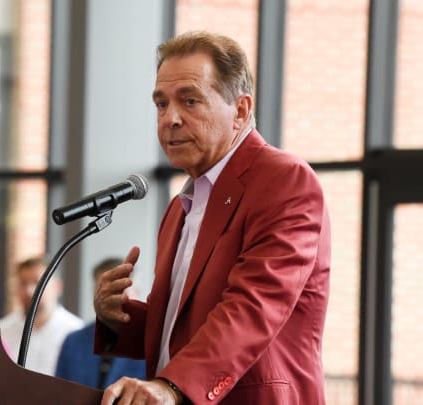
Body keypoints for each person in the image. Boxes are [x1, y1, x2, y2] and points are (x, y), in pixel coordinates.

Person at [93, 31, 331, 404]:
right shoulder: (180, 207)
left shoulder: (284, 180)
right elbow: (179, 327)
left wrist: (171, 386)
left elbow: (254, 306)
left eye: (189, 101)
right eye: (160, 104)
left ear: (240, 110)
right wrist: (117, 319)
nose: (170, 118)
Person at [55, 258, 145, 389]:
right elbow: (57, 394)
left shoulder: (151, 346)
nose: (111, 297)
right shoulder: (73, 342)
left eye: (119, 289)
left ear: (136, 291)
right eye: (103, 290)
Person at [0, 256, 83, 375]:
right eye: (23, 283)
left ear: (57, 287)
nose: (29, 291)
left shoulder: (75, 331)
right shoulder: (2, 331)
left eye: (37, 282)